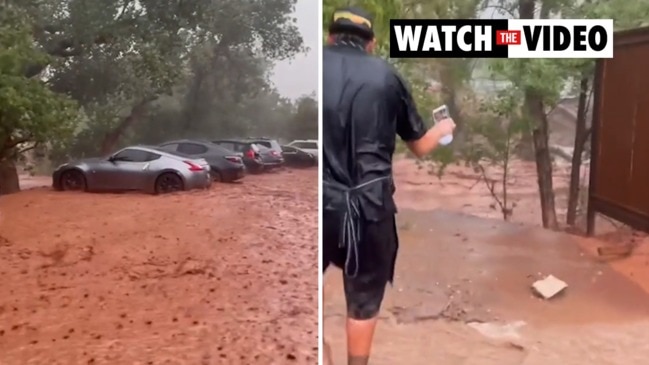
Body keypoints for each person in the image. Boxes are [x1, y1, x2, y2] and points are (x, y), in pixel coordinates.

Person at [322, 6, 456, 365]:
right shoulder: (387, 77)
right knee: (363, 298)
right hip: (369, 208)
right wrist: (442, 131)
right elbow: (420, 145)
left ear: (330, 36)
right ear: (372, 44)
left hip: (314, 203)